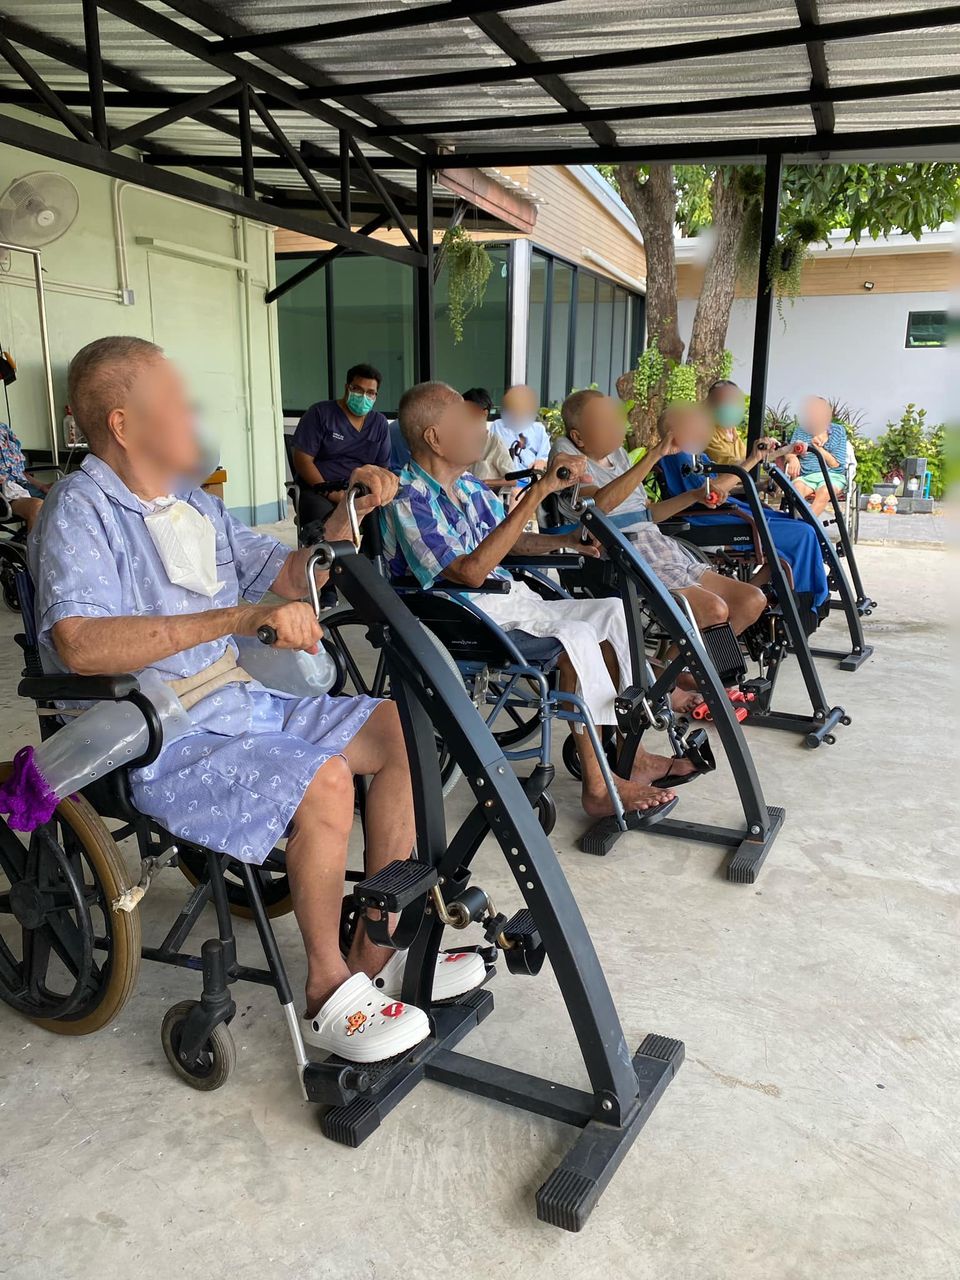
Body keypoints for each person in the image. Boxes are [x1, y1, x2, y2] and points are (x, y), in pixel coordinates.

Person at [29, 337, 486, 1065]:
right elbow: (79, 643)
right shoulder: (79, 509)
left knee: (403, 728)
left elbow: (291, 575)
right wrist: (237, 619)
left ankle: (379, 945)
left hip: (243, 701)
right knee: (324, 778)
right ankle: (327, 992)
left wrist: (350, 510)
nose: (194, 414)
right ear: (123, 424)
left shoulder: (192, 505)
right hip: (159, 733)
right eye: (177, 403)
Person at [381, 380, 698, 815]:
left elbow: (509, 543)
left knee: (612, 612)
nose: (481, 429)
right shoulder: (407, 496)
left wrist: (565, 541)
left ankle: (634, 755)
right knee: (577, 635)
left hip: (506, 598)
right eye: (465, 421)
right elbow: (469, 572)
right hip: (462, 611)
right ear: (435, 437)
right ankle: (598, 787)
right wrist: (538, 491)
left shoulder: (470, 487)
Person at [550, 389, 767, 638]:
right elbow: (599, 505)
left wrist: (695, 495)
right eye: (604, 421)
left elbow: (649, 514)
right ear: (578, 437)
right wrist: (654, 455)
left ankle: (679, 662)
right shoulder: (570, 461)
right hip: (621, 551)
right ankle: (685, 662)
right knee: (714, 610)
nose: (616, 424)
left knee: (751, 600)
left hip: (658, 545)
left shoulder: (619, 458)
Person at [655, 403, 830, 617]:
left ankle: (773, 599)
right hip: (708, 519)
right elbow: (712, 490)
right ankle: (804, 604)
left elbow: (720, 485)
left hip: (722, 512)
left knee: (801, 528)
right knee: (802, 533)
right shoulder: (678, 455)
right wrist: (753, 459)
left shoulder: (693, 454)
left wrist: (757, 486)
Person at [291, 362, 391, 532]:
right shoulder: (320, 414)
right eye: (358, 390)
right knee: (325, 527)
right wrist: (331, 493)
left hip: (360, 492)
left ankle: (373, 552)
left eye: (370, 393)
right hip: (318, 490)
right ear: (347, 388)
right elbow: (303, 460)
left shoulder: (379, 423)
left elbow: (382, 468)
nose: (364, 396)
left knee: (384, 521)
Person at [789, 396, 850, 517]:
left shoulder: (838, 431)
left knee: (825, 491)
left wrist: (818, 448)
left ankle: (807, 524)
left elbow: (835, 464)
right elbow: (789, 450)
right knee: (795, 489)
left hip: (832, 476)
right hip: (807, 476)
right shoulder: (800, 431)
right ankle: (796, 523)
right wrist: (792, 458)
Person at [461, 387, 517, 499]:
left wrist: (485, 483)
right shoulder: (458, 440)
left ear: (484, 414)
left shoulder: (494, 442)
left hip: (485, 501)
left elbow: (513, 480)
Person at [489, 384, 552, 471]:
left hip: (531, 476)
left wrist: (541, 463)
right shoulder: (497, 426)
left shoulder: (538, 429)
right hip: (504, 476)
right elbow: (490, 455)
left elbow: (545, 458)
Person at [0, 419, 45, 531]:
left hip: (22, 485)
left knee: (64, 498)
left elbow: (19, 471)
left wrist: (42, 486)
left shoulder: (4, 429)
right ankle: (38, 543)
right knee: (36, 506)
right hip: (3, 494)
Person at [704, 379, 751, 466]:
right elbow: (731, 467)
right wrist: (757, 457)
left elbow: (746, 460)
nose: (731, 406)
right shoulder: (706, 434)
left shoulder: (733, 433)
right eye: (725, 401)